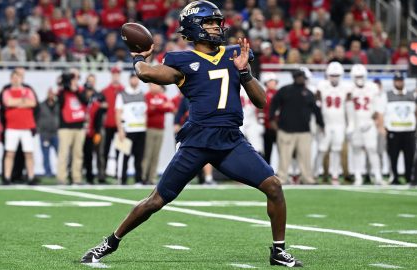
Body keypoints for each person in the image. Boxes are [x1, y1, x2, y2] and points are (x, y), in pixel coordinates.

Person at [81, 1, 302, 267]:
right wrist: (139, 57)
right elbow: (148, 75)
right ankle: (110, 242)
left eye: (216, 22)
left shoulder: (235, 54)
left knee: (274, 187)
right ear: (193, 27)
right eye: (209, 22)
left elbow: (261, 101)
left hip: (231, 140)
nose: (215, 27)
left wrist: (244, 72)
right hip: (197, 141)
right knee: (155, 201)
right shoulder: (182, 60)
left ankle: (278, 251)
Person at [269, 69, 324, 185]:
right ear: (294, 78)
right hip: (286, 129)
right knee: (284, 157)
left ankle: (307, 178)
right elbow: (273, 104)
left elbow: (316, 110)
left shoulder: (308, 93)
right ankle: (282, 178)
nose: (300, 79)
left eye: (301, 76)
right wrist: (272, 119)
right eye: (298, 76)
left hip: (304, 130)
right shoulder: (285, 90)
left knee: (305, 157)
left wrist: (321, 123)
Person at [313, 62, 350, 185]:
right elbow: (317, 105)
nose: (334, 78)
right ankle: (316, 173)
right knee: (322, 149)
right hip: (326, 124)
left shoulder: (346, 87)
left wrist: (350, 124)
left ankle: (335, 175)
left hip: (340, 123)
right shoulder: (322, 86)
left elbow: (348, 108)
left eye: (337, 75)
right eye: (332, 75)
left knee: (336, 149)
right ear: (328, 75)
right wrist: (319, 123)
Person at [347, 64, 384, 185]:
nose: (359, 78)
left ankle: (378, 176)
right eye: (357, 76)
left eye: (361, 76)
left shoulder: (372, 87)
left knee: (372, 149)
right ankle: (358, 176)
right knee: (356, 150)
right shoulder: (349, 89)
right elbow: (347, 108)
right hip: (356, 124)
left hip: (369, 123)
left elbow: (377, 107)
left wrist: (374, 122)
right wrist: (351, 124)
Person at [2, 70, 37, 185]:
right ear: (11, 79)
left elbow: (32, 103)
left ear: (22, 79)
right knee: (10, 153)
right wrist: (23, 101)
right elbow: (8, 102)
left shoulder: (28, 90)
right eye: (14, 77)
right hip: (12, 127)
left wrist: (17, 103)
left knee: (29, 153)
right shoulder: (7, 91)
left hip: (26, 127)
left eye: (18, 77)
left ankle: (31, 177)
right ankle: (7, 177)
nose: (16, 80)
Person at [382, 72, 416, 184]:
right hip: (394, 130)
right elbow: (382, 112)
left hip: (409, 130)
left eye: (401, 80)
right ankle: (394, 177)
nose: (399, 82)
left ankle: (408, 176)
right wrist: (383, 127)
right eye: (397, 80)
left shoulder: (411, 95)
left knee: (409, 156)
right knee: (393, 156)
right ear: (393, 82)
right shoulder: (387, 95)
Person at [115, 73, 147, 185]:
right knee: (124, 157)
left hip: (141, 130)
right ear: (129, 80)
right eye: (133, 79)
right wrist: (120, 130)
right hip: (128, 130)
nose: (135, 81)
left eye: (136, 79)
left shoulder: (142, 94)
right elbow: (118, 113)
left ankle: (138, 179)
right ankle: (122, 179)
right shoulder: (122, 94)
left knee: (139, 156)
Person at [37, 88, 59, 178]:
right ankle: (48, 172)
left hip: (56, 133)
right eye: (49, 93)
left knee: (60, 154)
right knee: (46, 155)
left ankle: (61, 172)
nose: (51, 95)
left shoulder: (58, 105)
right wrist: (40, 130)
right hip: (45, 134)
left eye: (52, 93)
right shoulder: (41, 105)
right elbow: (37, 118)